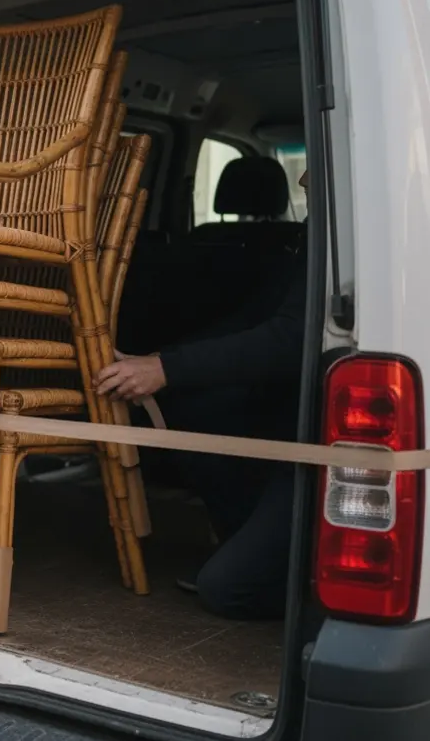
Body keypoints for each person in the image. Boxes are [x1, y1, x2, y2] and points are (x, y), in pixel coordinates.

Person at [93, 170, 309, 620]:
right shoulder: (309, 239)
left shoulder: (349, 244)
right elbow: (253, 321)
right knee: (195, 403)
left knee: (226, 591)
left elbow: (290, 340)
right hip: (279, 415)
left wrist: (167, 368)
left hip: (313, 441)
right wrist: (162, 360)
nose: (304, 179)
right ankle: (244, 543)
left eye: (314, 167)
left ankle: (301, 581)